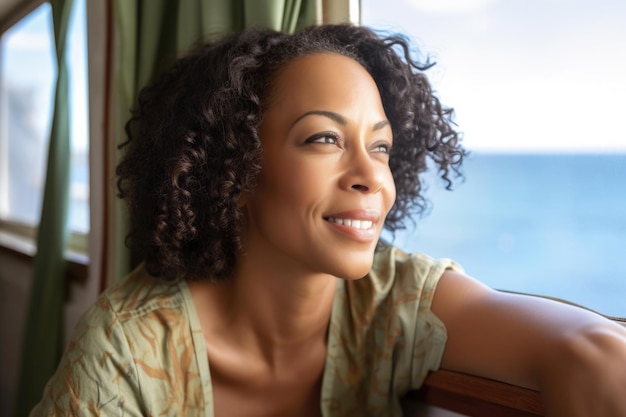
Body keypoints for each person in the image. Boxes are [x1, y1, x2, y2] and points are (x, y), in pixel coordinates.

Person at [31, 23, 626, 417]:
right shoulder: (124, 350)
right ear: (235, 169)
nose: (372, 176)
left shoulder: (393, 298)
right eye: (324, 138)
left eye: (382, 147)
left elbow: (598, 352)